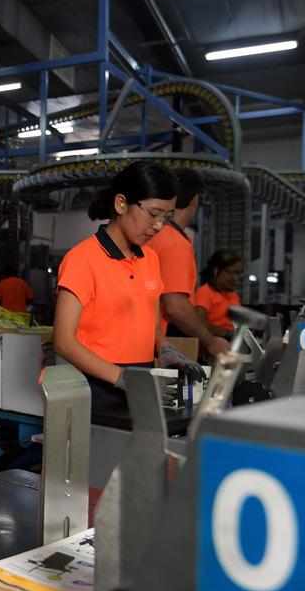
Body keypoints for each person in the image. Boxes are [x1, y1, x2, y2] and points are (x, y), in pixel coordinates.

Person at [53, 160, 203, 412]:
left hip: (140, 383)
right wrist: (121, 378)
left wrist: (166, 349)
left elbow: (151, 324)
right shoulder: (82, 260)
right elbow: (63, 341)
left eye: (166, 217)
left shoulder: (151, 259)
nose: (158, 225)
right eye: (153, 214)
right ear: (121, 204)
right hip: (94, 389)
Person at [148, 168, 230, 359]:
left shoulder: (156, 235)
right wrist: (211, 342)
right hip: (166, 340)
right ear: (195, 199)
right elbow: (175, 306)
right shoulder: (173, 243)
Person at [194, 249, 243, 337]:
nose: (236, 278)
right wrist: (226, 333)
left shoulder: (234, 296)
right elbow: (199, 322)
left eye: (238, 274)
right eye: (231, 273)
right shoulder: (205, 292)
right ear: (216, 270)